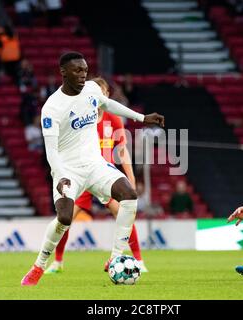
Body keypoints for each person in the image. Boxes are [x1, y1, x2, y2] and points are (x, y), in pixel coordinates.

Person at [21, 52, 164, 286]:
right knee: (64, 218)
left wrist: (142, 118)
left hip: (96, 165)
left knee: (129, 195)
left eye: (85, 70)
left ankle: (116, 257)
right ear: (63, 72)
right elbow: (51, 151)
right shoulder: (52, 107)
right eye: (77, 70)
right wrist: (60, 176)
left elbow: (109, 104)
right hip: (68, 171)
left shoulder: (91, 90)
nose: (82, 75)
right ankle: (38, 266)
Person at [45, 77, 147, 274]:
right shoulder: (79, 118)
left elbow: (122, 150)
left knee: (122, 212)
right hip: (80, 175)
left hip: (102, 176)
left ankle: (139, 260)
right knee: (64, 219)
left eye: (103, 93)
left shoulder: (114, 119)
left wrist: (130, 177)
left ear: (107, 96)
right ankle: (57, 262)